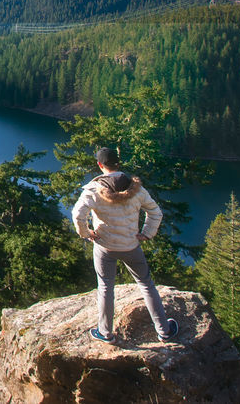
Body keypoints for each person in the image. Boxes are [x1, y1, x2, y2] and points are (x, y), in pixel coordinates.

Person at [71, 146, 179, 344]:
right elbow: (156, 213)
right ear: (118, 163)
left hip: (104, 247)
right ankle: (164, 331)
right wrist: (146, 234)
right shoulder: (136, 189)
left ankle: (105, 333)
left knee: (105, 287)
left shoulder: (94, 190)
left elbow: (78, 215)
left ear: (100, 165)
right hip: (131, 246)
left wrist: (87, 234)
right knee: (146, 285)